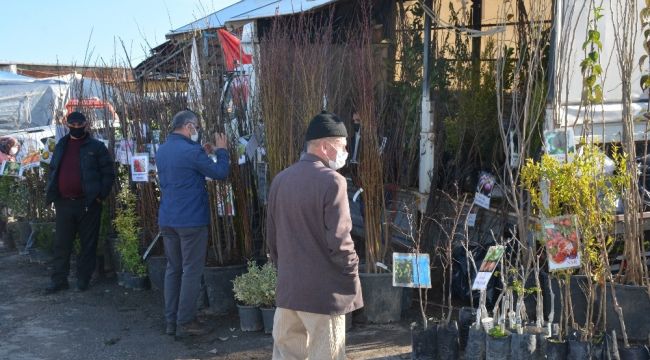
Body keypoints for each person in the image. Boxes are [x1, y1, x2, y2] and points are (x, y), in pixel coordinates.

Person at [266, 110, 363, 360]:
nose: (344, 153)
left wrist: (285, 271)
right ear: (325, 146)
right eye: (342, 146)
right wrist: (352, 273)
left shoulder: (280, 180)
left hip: (288, 292)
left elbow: (272, 239)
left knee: (286, 355)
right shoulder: (332, 182)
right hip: (323, 295)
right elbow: (340, 242)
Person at [156, 110, 230, 339]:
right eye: (196, 127)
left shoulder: (163, 149)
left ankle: (171, 320)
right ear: (188, 127)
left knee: (174, 269)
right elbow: (220, 172)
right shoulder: (191, 151)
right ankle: (186, 321)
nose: (197, 131)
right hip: (191, 219)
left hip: (168, 218)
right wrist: (222, 150)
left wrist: (202, 154)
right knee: (191, 271)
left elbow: (185, 170)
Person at [44, 112, 115, 294]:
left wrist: (100, 196)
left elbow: (108, 173)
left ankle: (83, 280)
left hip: (88, 203)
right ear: (67, 124)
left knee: (88, 244)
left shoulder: (96, 147)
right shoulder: (61, 145)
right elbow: (53, 169)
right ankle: (59, 280)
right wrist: (54, 192)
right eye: (72, 123)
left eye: (79, 123)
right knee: (61, 243)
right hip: (64, 203)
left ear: (86, 124)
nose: (76, 127)